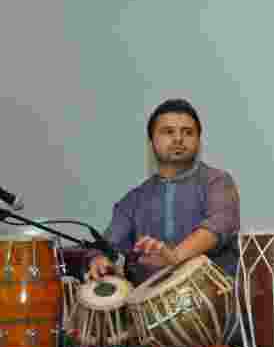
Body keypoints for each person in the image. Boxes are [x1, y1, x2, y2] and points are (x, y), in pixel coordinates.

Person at [86, 99, 240, 286]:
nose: (178, 139)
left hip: (213, 303)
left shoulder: (217, 182)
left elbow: (216, 227)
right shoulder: (135, 199)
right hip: (149, 310)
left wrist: (173, 257)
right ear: (151, 141)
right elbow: (107, 244)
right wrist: (99, 259)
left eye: (188, 132)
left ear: (198, 141)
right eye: (168, 132)